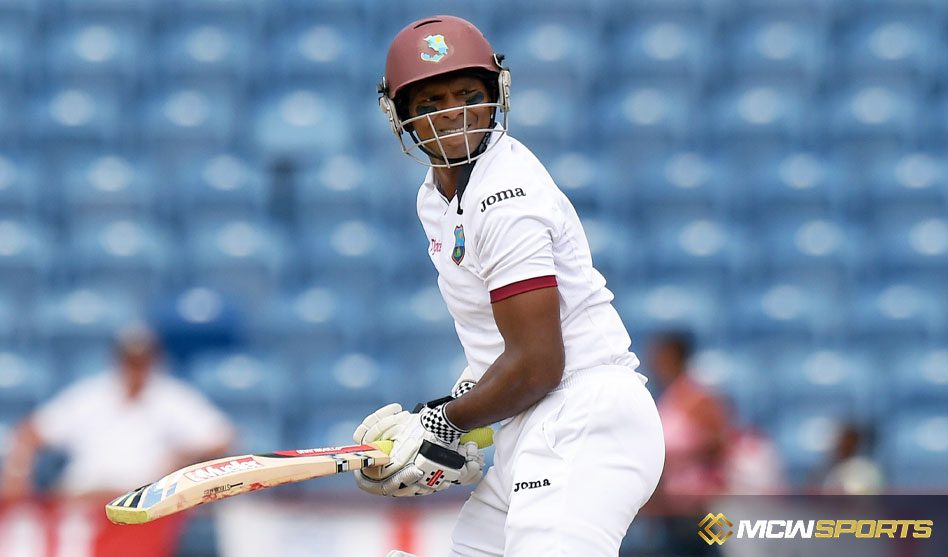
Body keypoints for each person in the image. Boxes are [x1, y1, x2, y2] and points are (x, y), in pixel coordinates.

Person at [351, 15, 665, 556]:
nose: (453, 114)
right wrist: (459, 420)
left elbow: (538, 363)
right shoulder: (435, 197)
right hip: (532, 422)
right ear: (401, 118)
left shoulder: (508, 197)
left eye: (467, 95)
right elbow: (500, 347)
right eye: (430, 105)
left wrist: (440, 422)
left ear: (496, 96)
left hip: (582, 416)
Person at [0, 323, 235, 557]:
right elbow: (32, 431)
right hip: (82, 500)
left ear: (155, 360)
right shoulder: (91, 394)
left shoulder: (173, 397)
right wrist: (18, 472)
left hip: (141, 505)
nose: (135, 368)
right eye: (129, 360)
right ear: (117, 359)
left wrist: (181, 460)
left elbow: (221, 438)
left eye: (142, 360)